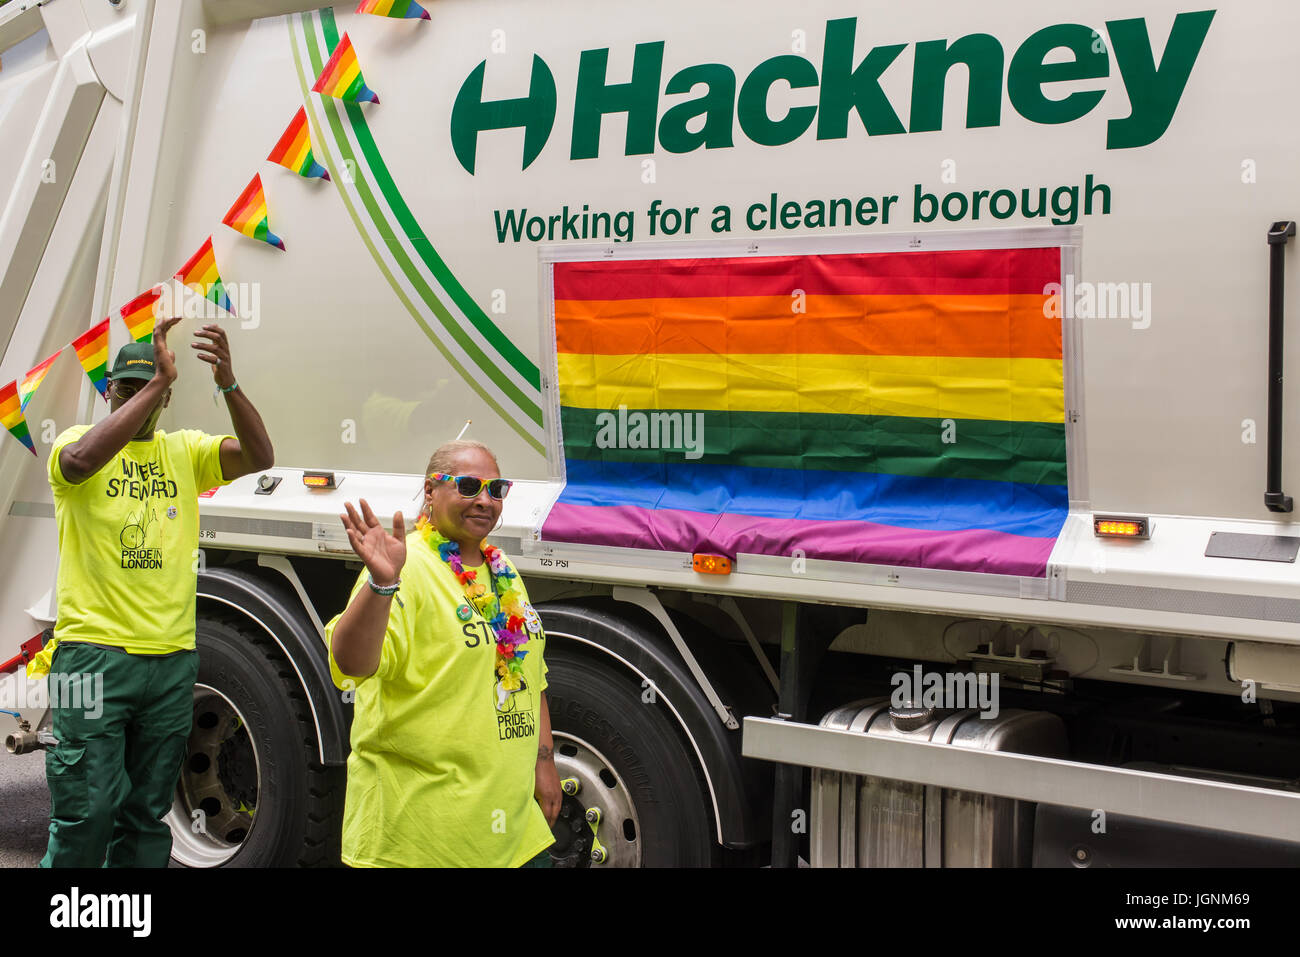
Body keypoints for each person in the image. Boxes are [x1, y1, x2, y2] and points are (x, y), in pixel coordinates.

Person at [34, 317, 274, 867]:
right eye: (128, 387)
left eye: (153, 390)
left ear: (167, 404)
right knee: (86, 809)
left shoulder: (184, 452)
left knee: (145, 815)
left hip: (169, 662)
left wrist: (229, 382)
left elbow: (261, 458)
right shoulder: (75, 445)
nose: (142, 397)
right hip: (90, 658)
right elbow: (80, 463)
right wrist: (158, 383)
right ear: (110, 391)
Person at [325, 439, 562, 867]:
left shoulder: (502, 570)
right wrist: (382, 583)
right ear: (430, 492)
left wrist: (544, 763)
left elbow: (531, 676)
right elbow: (352, 664)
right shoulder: (407, 567)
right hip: (422, 840)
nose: (485, 500)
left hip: (513, 837)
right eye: (469, 486)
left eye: (496, 488)